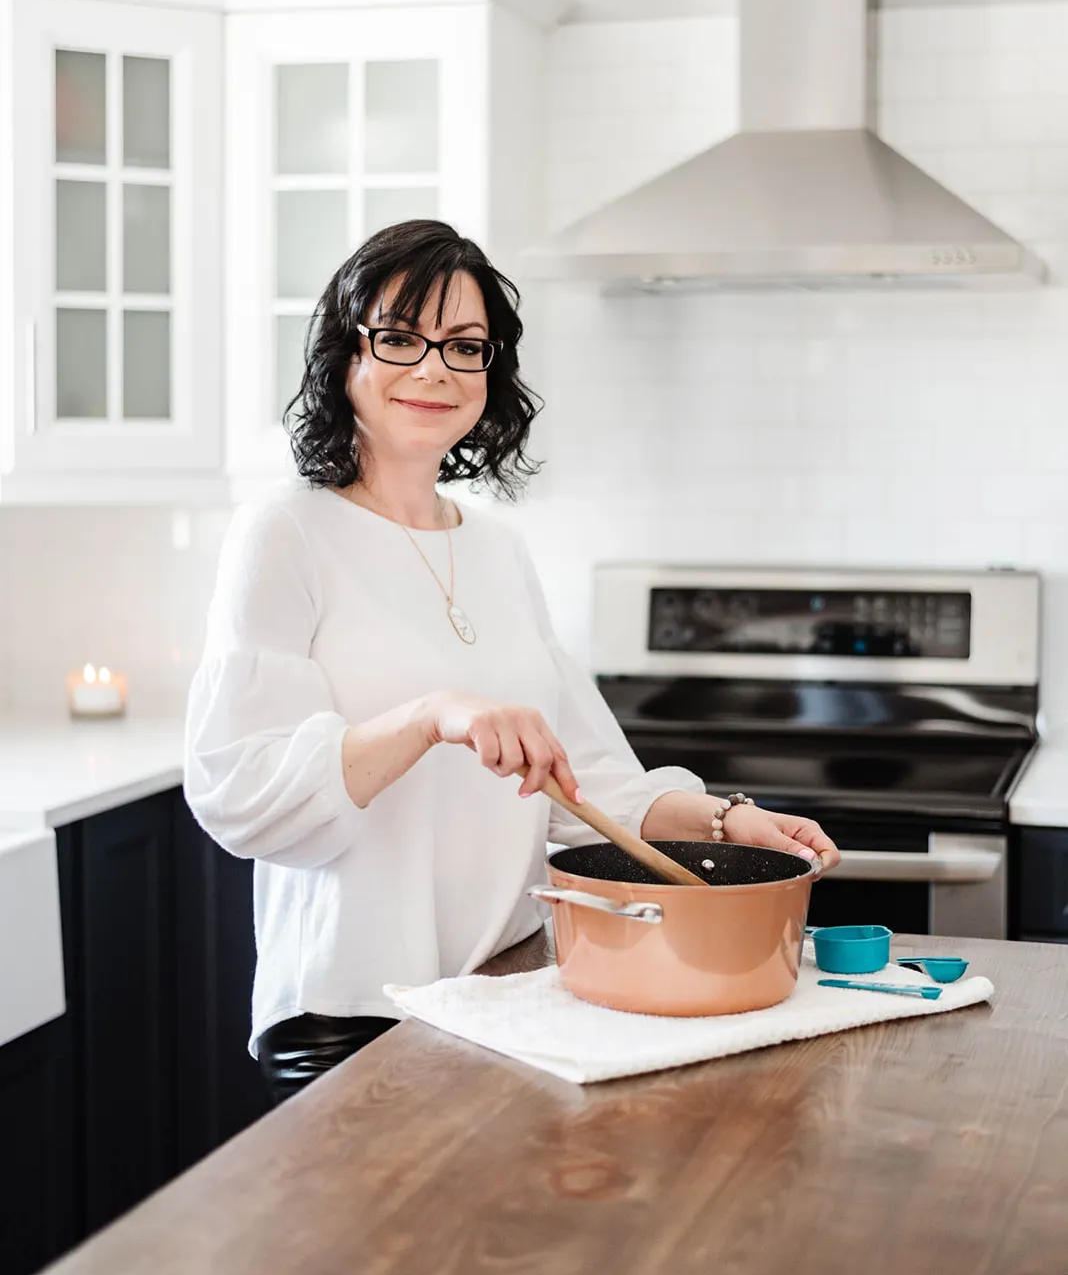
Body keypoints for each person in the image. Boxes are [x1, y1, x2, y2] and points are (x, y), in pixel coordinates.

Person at [184, 219, 839, 1105]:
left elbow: (584, 787)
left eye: (464, 346)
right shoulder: (287, 531)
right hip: (352, 1017)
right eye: (399, 337)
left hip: (510, 992)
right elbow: (241, 792)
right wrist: (429, 717)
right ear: (345, 356)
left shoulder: (499, 551)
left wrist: (724, 822)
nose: (434, 370)